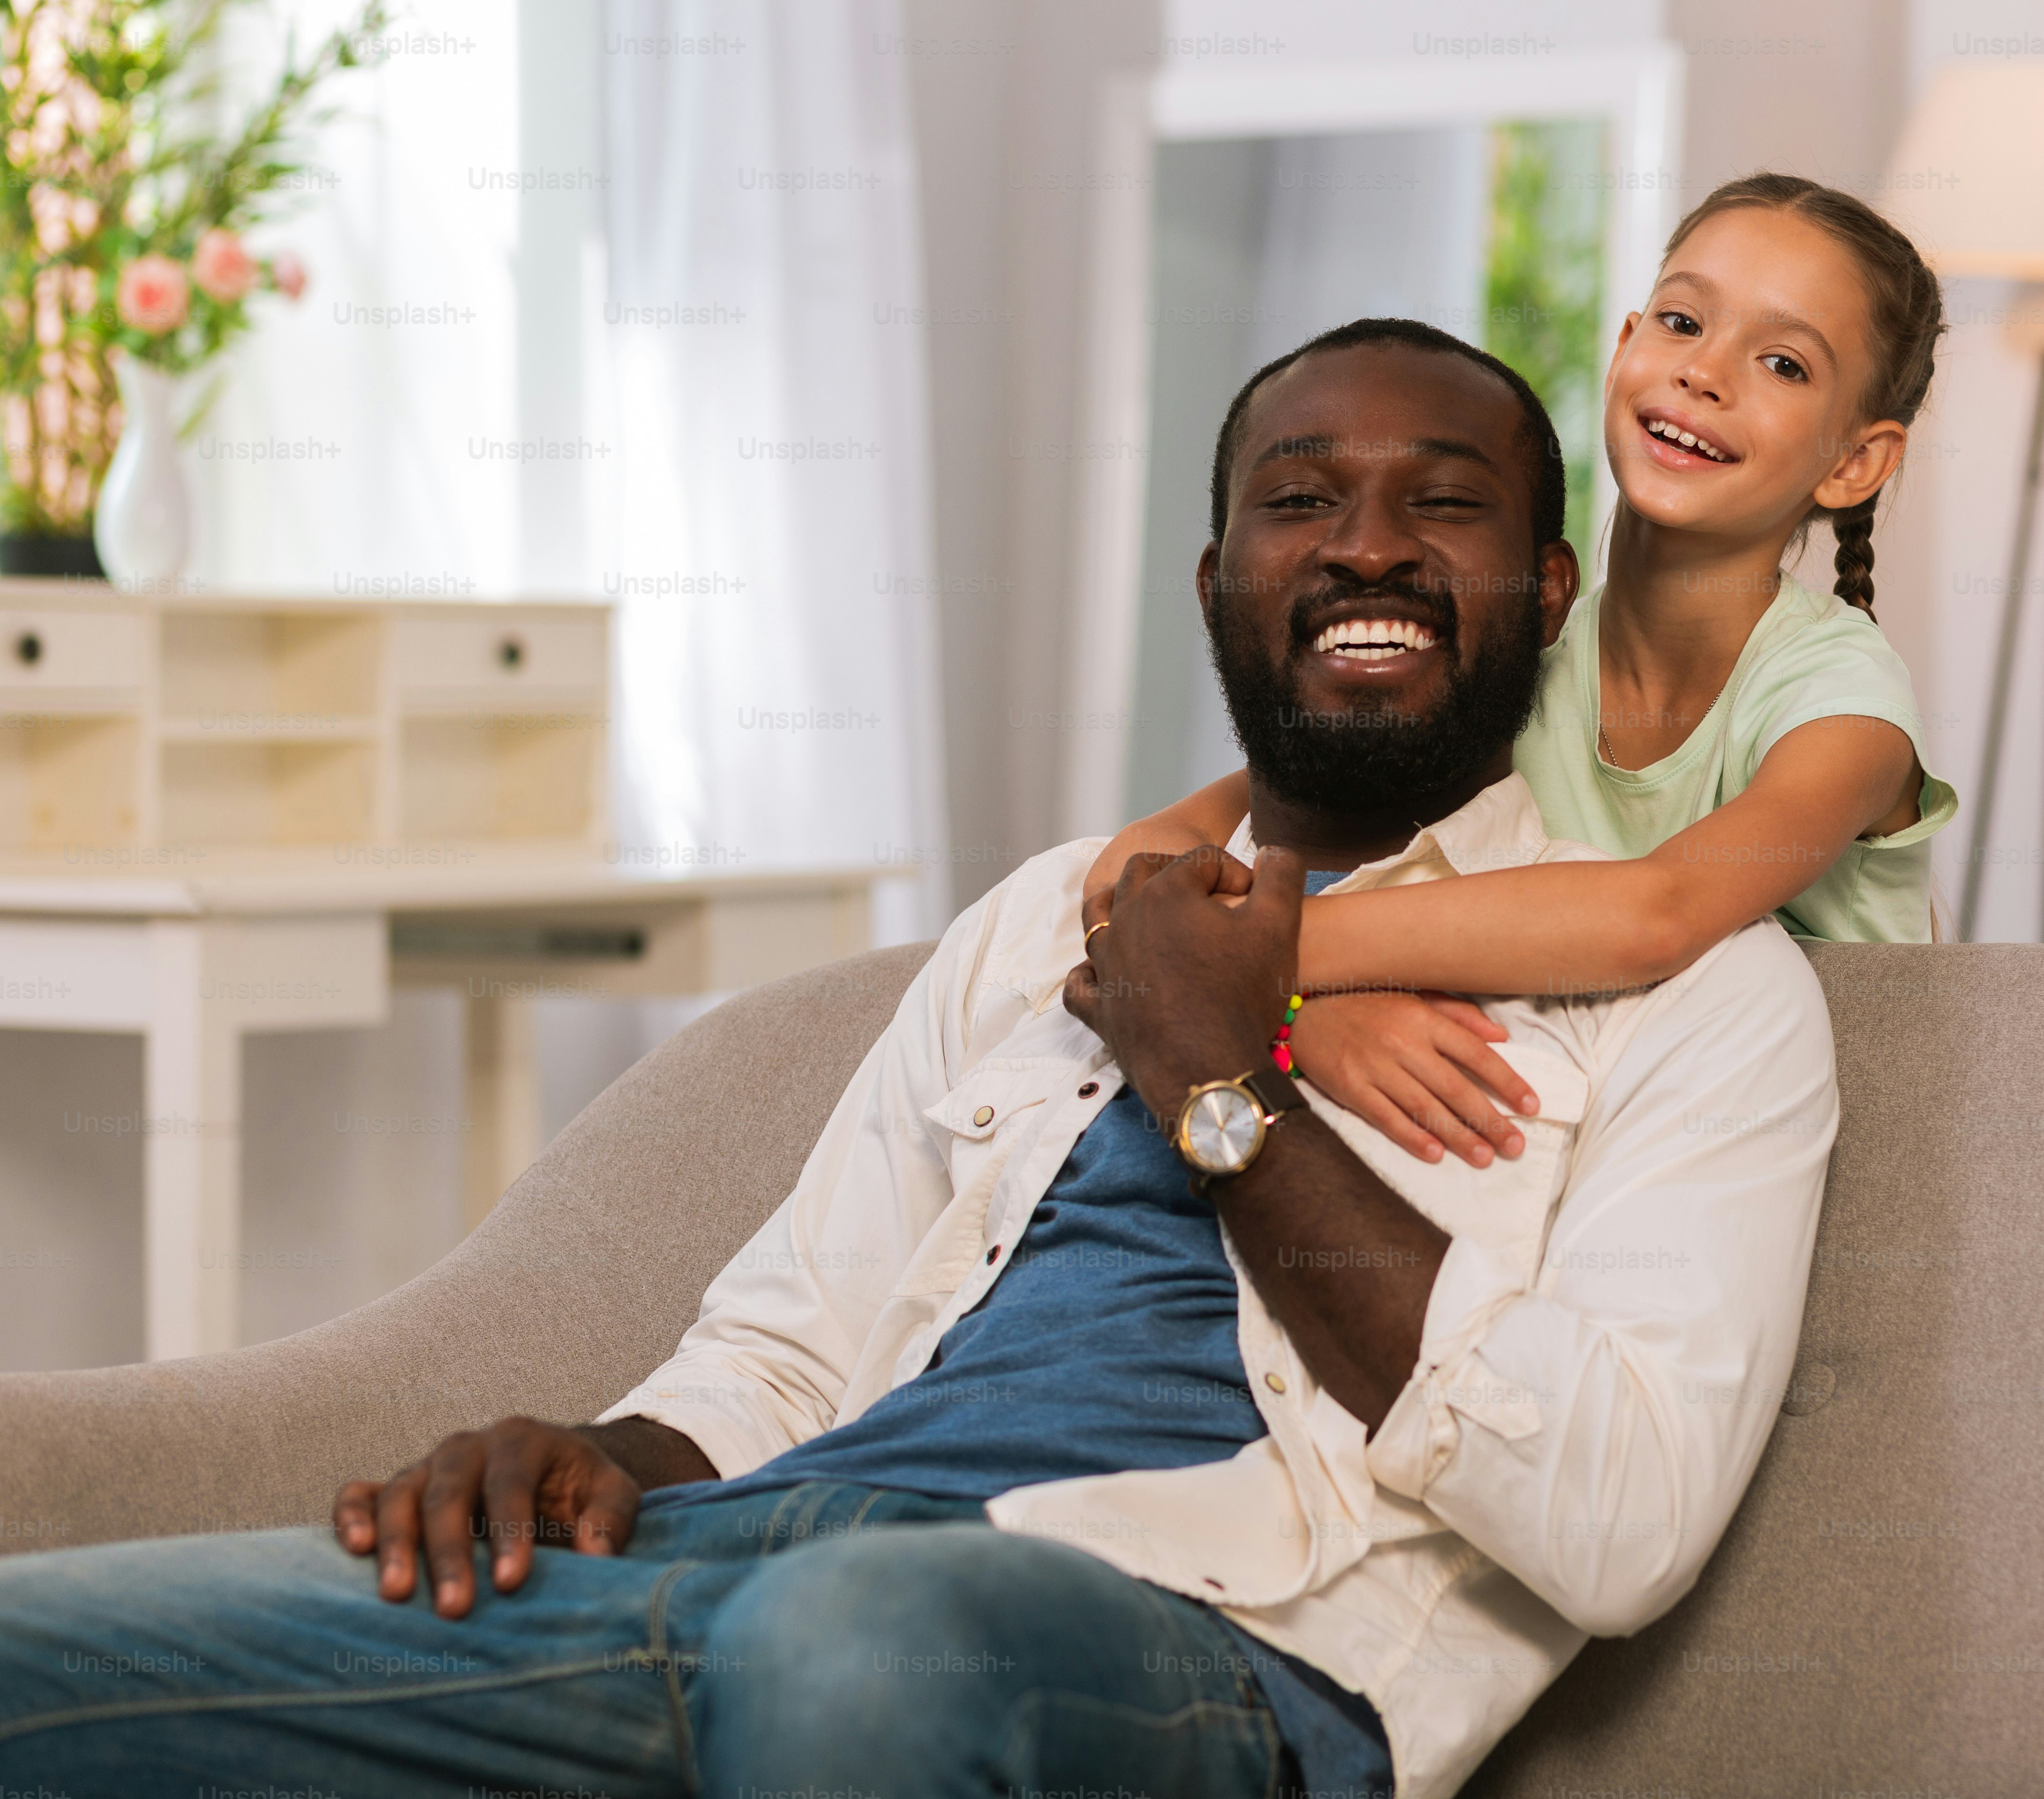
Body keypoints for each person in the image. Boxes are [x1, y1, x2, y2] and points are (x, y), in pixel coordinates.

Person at [0, 323, 1838, 1799]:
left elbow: (1614, 1527)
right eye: (1303, 501)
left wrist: (1225, 1089)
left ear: (1547, 580)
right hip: (723, 1563)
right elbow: (788, 1346)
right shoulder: (1057, 914)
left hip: (1178, 1633)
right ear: (1219, 582)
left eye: (1441, 505)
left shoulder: (1691, 992)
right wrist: (594, 1447)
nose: (1366, 544)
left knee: (862, 1640)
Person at [1094, 173, 1954, 1174]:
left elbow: (1654, 915)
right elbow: (1153, 858)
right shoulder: (1527, 663)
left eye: (1781, 363)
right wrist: (1289, 1018)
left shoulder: (1846, 704)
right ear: (1626, 343)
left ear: (1854, 461)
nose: (1705, 373)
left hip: (1783, 1176)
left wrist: (1253, 961)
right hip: (1566, 1137)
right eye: (1682, 321)